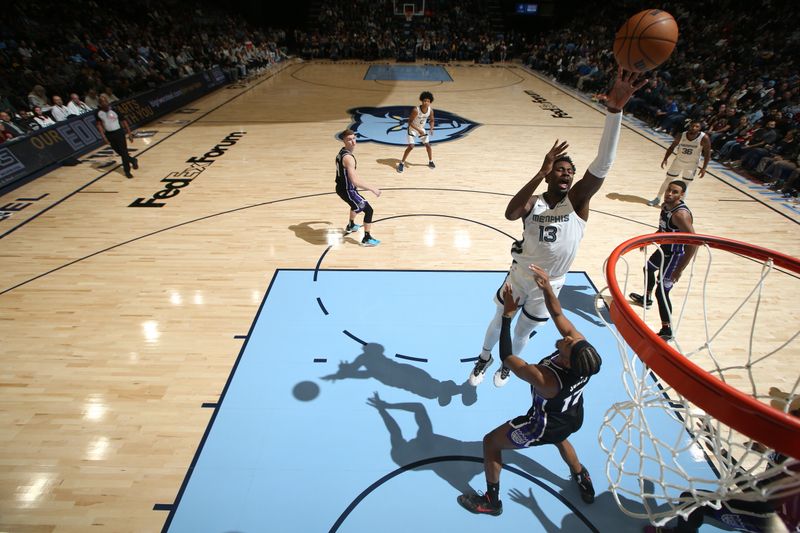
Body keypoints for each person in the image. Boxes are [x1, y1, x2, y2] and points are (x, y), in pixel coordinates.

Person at [468, 68, 646, 388]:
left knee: (523, 332)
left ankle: (508, 367)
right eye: (559, 170)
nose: (565, 174)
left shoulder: (577, 202)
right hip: (520, 275)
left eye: (569, 171)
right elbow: (510, 213)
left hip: (552, 284)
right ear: (551, 175)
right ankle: (483, 358)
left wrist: (614, 112)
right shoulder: (534, 201)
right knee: (499, 320)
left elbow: (603, 164)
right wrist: (539, 171)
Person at [457, 271, 602, 516]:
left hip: (542, 424)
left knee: (491, 443)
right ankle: (581, 475)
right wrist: (547, 288)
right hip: (572, 415)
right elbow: (557, 314)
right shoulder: (583, 355)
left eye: (567, 343)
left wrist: (507, 317)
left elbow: (508, 357)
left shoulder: (546, 380)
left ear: (566, 363)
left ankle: (492, 501)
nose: (567, 337)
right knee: (560, 437)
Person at [630, 180, 697, 340]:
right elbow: (662, 229)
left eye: (675, 192)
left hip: (675, 255)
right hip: (663, 249)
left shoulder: (680, 215)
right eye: (669, 190)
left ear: (682, 195)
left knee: (662, 292)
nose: (669, 194)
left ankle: (667, 329)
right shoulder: (665, 206)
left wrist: (680, 269)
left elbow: (694, 243)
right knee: (648, 269)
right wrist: (648, 240)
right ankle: (646, 299)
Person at [336, 128, 382, 246]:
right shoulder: (348, 158)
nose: (353, 141)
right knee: (369, 210)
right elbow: (355, 181)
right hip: (348, 190)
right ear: (344, 141)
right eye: (349, 139)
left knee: (355, 204)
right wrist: (372, 188)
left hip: (342, 187)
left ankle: (351, 225)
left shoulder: (341, 153)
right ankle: (366, 238)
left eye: (354, 138)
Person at [647, 121, 710, 206]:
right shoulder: (682, 135)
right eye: (692, 126)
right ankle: (657, 198)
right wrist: (665, 158)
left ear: (700, 128)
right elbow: (672, 147)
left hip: (692, 164)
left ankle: (680, 204)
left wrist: (704, 168)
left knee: (685, 183)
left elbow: (707, 153)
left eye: (697, 126)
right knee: (668, 180)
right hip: (678, 161)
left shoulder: (704, 138)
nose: (694, 128)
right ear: (689, 126)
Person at [94, 94, 139, 179]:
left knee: (124, 151)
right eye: (103, 103)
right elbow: (99, 125)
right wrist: (103, 136)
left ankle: (127, 171)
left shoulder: (115, 110)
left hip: (119, 132)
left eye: (106, 102)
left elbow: (123, 121)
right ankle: (132, 160)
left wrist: (129, 133)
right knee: (119, 152)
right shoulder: (98, 113)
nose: (105, 104)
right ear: (100, 105)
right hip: (109, 134)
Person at [397, 91, 435, 173]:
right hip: (412, 129)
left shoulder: (430, 111)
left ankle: (430, 161)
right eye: (424, 100)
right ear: (421, 101)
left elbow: (432, 120)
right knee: (411, 146)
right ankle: (401, 163)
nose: (426, 102)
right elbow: (409, 122)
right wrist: (418, 130)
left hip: (421, 129)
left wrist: (431, 129)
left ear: (430, 102)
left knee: (428, 145)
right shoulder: (416, 110)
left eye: (428, 101)